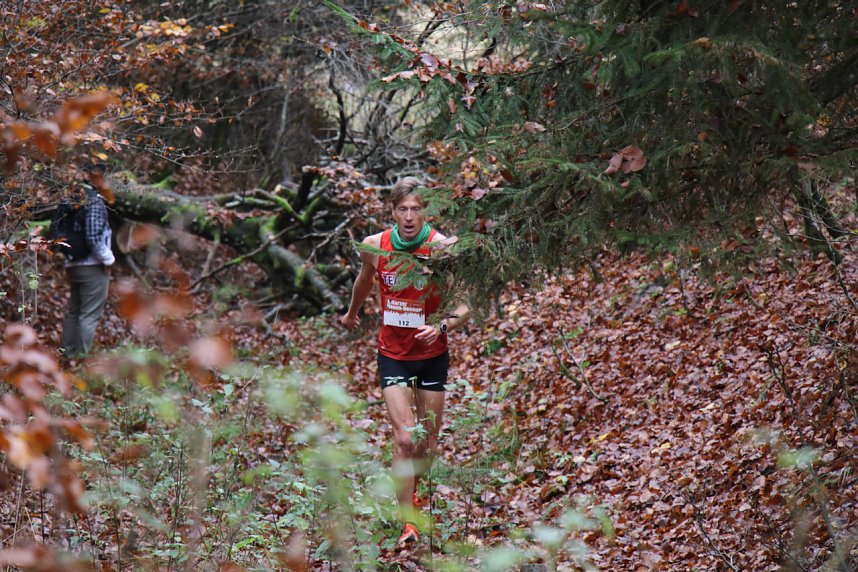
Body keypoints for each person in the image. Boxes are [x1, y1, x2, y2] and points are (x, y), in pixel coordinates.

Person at [341, 177, 469, 546]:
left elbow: (464, 303)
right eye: (403, 209)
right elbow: (365, 279)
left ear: (424, 210)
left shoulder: (442, 248)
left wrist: (442, 325)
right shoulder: (374, 246)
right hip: (392, 355)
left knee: (428, 442)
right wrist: (352, 313)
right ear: (392, 211)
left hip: (432, 356)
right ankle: (408, 523)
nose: (409, 216)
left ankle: (417, 496)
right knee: (404, 438)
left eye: (416, 209)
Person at [61, 164, 115, 358]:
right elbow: (93, 237)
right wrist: (108, 259)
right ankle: (81, 361)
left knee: (74, 312)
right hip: (91, 266)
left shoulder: (70, 199)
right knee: (89, 315)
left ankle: (66, 356)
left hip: (71, 263)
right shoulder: (93, 202)